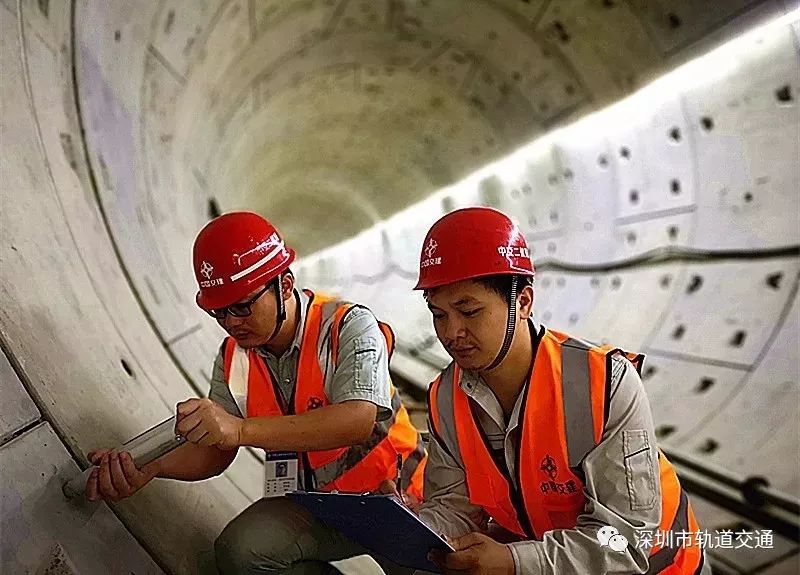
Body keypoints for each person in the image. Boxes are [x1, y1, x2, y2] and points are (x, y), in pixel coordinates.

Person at [86, 211, 427, 574]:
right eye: (219, 312)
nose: (232, 322)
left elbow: (356, 420)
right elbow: (215, 452)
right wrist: (150, 465)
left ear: (284, 285)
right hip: (322, 505)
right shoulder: (234, 358)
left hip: (398, 501)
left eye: (242, 306)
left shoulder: (347, 326)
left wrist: (240, 429)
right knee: (242, 552)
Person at [406, 207, 708, 574]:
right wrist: (413, 529)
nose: (451, 332)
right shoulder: (445, 397)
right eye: (439, 315)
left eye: (469, 311)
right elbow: (456, 505)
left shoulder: (603, 385)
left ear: (523, 302)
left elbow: (626, 544)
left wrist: (514, 561)